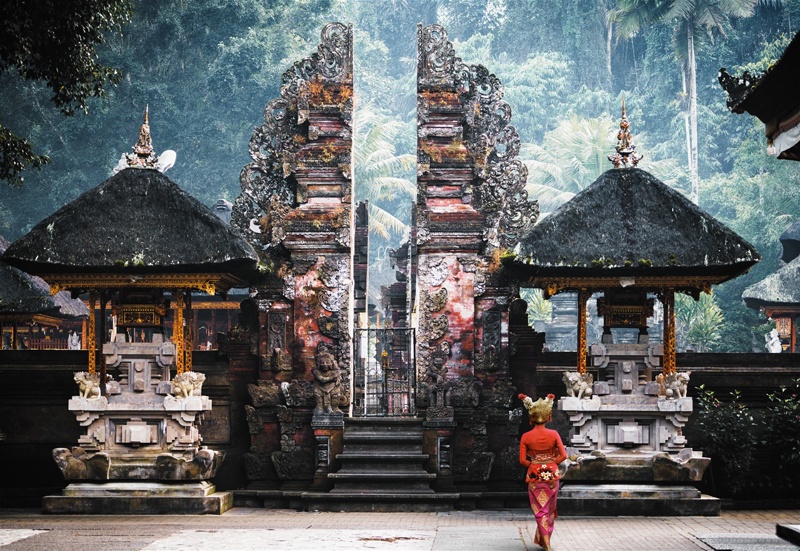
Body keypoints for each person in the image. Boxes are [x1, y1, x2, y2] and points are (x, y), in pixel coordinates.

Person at [519, 393, 567, 551]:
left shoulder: (526, 436)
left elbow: (522, 461)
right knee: (550, 509)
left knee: (540, 509)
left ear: (531, 417)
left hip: (534, 476)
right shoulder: (553, 434)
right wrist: (551, 462)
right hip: (552, 476)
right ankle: (545, 540)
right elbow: (563, 456)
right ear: (548, 416)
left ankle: (544, 541)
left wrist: (534, 463)